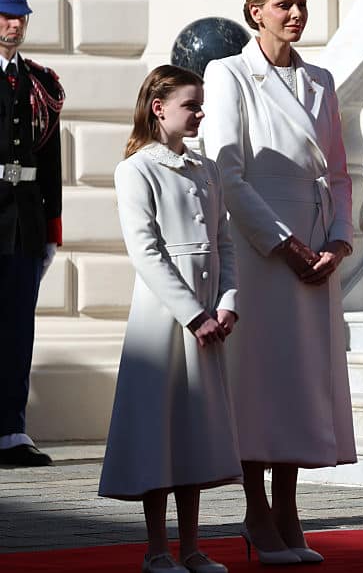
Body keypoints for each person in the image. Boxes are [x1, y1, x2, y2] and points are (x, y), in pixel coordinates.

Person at [201, 0, 355, 565]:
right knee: (258, 379)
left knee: (300, 382)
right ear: (255, 11)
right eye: (283, 5)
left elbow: (340, 173)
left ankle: (289, 509)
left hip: (315, 246)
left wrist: (338, 241)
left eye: (301, 4)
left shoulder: (320, 78)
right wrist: (284, 243)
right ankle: (257, 512)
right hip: (262, 249)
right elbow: (227, 171)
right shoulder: (229, 73)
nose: (296, 14)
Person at [99, 65, 239, 573]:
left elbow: (225, 243)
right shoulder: (137, 169)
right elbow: (147, 251)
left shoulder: (206, 168)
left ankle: (193, 546)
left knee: (195, 429)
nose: (200, 113)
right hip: (164, 319)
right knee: (161, 430)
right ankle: (157, 547)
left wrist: (227, 303)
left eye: (200, 104)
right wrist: (192, 314)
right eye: (190, 105)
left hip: (208, 313)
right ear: (159, 108)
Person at [0, 0, 63, 468]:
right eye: (4, 13)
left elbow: (49, 160)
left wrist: (52, 228)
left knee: (18, 326)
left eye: (19, 14)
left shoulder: (40, 83)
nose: (13, 23)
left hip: (23, 221)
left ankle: (11, 430)